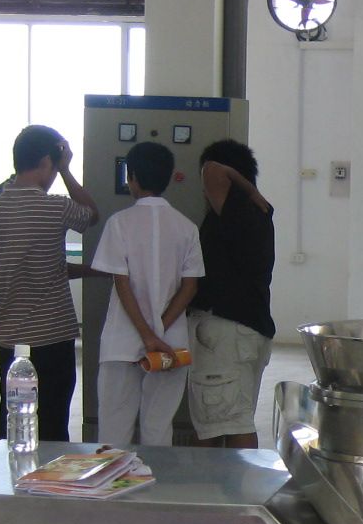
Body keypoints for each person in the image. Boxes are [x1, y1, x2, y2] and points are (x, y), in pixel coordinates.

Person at [0, 125, 99, 442]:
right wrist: (68, 170)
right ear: (46, 162)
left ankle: (10, 470)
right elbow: (92, 215)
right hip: (53, 339)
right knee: (53, 423)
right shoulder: (56, 207)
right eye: (55, 168)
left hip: (11, 342)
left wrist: (4, 313)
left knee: (15, 419)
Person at [89, 142, 204, 447]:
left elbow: (121, 282)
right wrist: (158, 330)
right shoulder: (187, 228)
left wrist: (145, 334)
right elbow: (190, 287)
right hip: (171, 344)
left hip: (123, 341)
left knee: (114, 429)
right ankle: (156, 476)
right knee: (158, 428)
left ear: (133, 177)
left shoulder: (119, 223)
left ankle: (116, 477)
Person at [187, 138, 275, 449]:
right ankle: (233, 480)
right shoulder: (257, 212)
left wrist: (245, 186)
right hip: (246, 330)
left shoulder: (239, 206)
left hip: (225, 332)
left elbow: (212, 169)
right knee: (232, 417)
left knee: (221, 424)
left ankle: (215, 481)